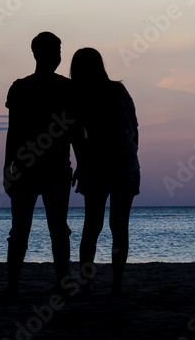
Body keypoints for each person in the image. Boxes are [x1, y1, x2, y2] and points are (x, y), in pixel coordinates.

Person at [3, 32, 74, 299]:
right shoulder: (20, 88)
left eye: (59, 50)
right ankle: (13, 286)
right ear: (36, 54)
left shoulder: (68, 88)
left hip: (56, 168)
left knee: (58, 229)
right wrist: (7, 166)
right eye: (53, 50)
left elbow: (75, 130)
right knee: (20, 229)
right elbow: (13, 131)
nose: (57, 56)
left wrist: (82, 162)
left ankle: (61, 284)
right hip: (27, 168)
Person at [68, 47, 140, 295]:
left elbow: (76, 135)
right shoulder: (118, 90)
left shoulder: (78, 95)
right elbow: (134, 126)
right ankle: (117, 284)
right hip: (123, 166)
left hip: (98, 166)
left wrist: (81, 164)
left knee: (93, 226)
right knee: (119, 227)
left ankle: (87, 283)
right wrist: (131, 153)